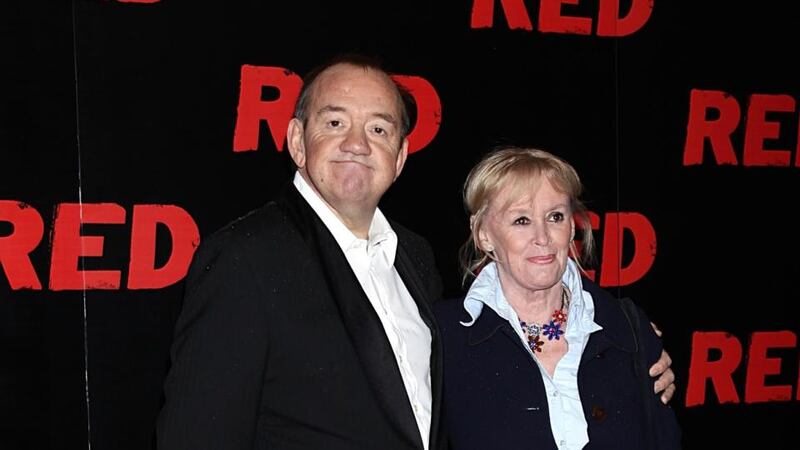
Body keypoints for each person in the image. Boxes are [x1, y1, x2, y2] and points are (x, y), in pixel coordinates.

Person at [156, 55, 675, 450]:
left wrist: (635, 340)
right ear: (297, 140)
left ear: (400, 156)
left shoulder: (416, 261)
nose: (358, 142)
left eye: (379, 128)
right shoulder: (246, 258)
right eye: (335, 122)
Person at [435, 147, 682, 449]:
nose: (543, 236)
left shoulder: (627, 327)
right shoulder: (442, 338)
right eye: (521, 220)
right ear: (484, 234)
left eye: (555, 216)